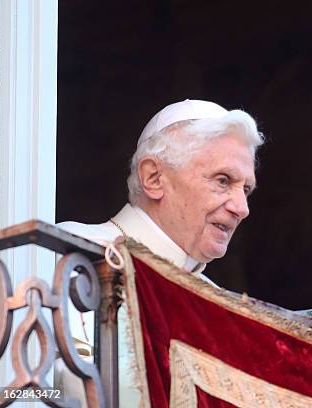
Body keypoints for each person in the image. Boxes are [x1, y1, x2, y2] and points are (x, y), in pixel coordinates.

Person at [55, 99, 264, 406]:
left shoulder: (222, 306)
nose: (242, 208)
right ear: (153, 178)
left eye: (245, 189)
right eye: (223, 181)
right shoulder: (71, 251)